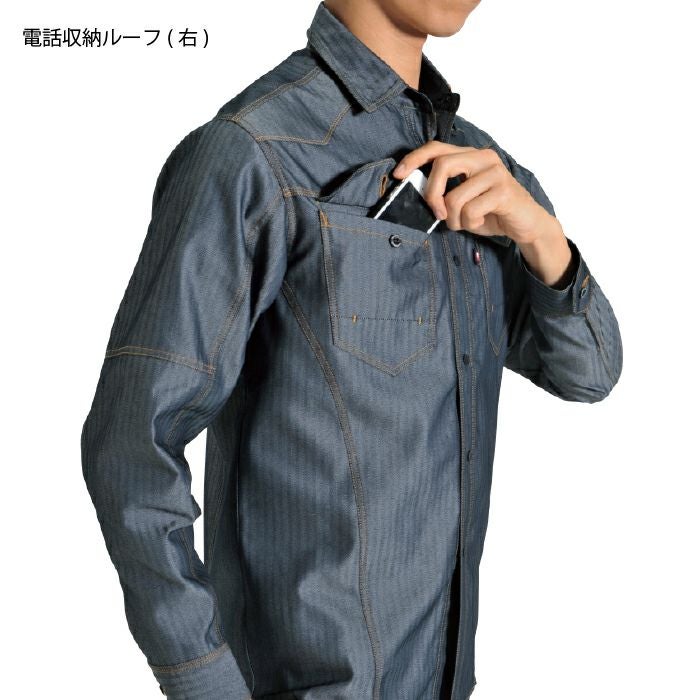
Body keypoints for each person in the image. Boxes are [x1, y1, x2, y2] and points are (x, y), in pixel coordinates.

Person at [81, 1, 623, 698]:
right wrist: (206, 683)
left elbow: (588, 371)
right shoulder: (252, 153)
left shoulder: (483, 172)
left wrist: (544, 239)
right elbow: (130, 442)